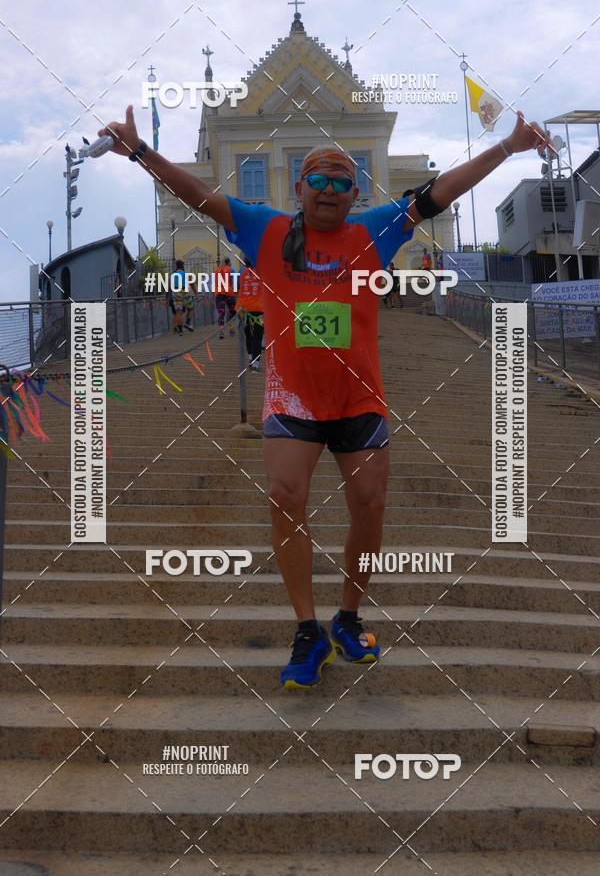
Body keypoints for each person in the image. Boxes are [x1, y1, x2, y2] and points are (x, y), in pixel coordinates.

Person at [100, 106, 553, 690]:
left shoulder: (373, 231)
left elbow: (438, 192)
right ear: (300, 188)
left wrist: (508, 146)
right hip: (292, 402)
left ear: (355, 192)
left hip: (360, 401)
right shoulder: (265, 229)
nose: (330, 190)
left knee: (369, 506)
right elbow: (199, 195)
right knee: (284, 495)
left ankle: (347, 616)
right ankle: (307, 629)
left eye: (342, 182)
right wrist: (139, 154)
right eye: (319, 179)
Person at [236, 256, 264, 371]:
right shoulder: (262, 273)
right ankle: (255, 364)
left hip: (244, 308)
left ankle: (250, 358)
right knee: (257, 337)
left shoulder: (243, 274)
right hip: (259, 309)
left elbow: (241, 290)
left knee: (248, 335)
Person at [214, 257, 237, 338]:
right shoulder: (231, 270)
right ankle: (231, 328)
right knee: (232, 311)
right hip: (229, 293)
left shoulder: (216, 270)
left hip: (219, 293)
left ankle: (221, 330)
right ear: (229, 262)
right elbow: (234, 281)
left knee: (221, 312)